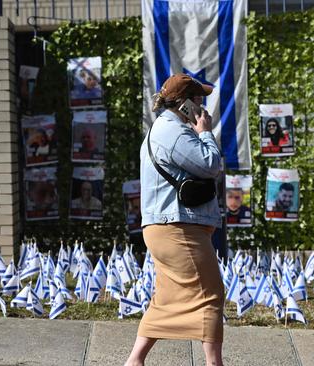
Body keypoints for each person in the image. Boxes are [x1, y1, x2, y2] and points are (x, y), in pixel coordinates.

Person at [125, 74, 223, 366]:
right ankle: (213, 363)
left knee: (167, 297)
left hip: (169, 227)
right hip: (177, 229)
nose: (203, 105)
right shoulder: (174, 132)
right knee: (211, 294)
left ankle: (135, 360)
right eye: (198, 100)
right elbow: (211, 165)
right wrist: (205, 131)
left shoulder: (167, 129)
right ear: (185, 105)